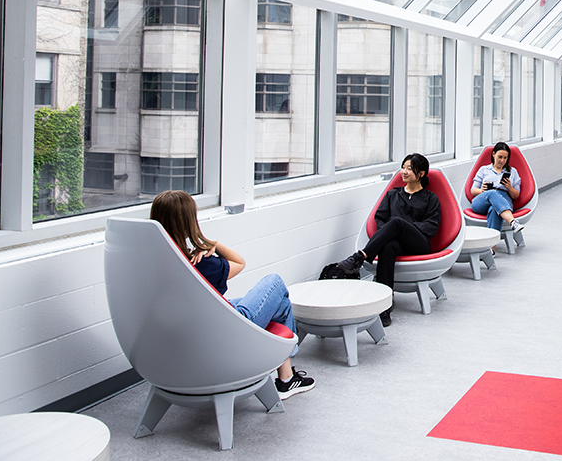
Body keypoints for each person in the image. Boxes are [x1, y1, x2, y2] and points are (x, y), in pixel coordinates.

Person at [149, 190, 315, 400]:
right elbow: (240, 263)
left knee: (281, 304)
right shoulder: (200, 263)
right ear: (188, 223)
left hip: (194, 329)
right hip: (227, 330)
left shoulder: (155, 261)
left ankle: (287, 378)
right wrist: (211, 244)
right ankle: (287, 379)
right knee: (275, 282)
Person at [334, 153, 440, 327]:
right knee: (388, 246)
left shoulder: (430, 198)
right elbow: (380, 219)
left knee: (397, 222)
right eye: (403, 167)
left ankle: (359, 257)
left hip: (419, 244)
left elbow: (431, 227)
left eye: (409, 168)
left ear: (421, 173)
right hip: (396, 245)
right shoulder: (392, 195)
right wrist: (392, 232)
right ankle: (385, 305)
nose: (403, 172)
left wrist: (405, 228)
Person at [470, 141, 525, 235]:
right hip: (482, 199)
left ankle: (492, 247)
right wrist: (482, 190)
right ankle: (512, 222)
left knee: (494, 209)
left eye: (505, 158)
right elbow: (473, 191)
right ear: (493, 154)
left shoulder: (513, 172)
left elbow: (516, 195)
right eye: (500, 157)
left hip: (504, 199)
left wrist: (509, 187)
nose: (502, 161)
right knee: (492, 193)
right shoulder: (484, 169)